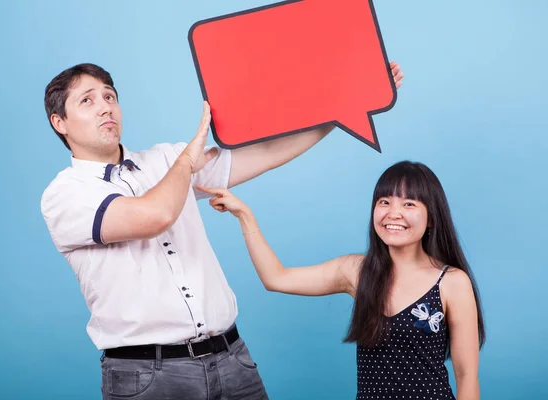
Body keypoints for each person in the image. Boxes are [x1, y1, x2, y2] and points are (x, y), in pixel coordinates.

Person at [40, 62, 405, 399]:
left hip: (232, 360)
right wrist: (187, 159)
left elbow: (262, 154)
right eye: (87, 101)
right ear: (60, 122)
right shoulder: (65, 195)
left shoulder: (166, 160)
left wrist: (342, 111)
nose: (105, 107)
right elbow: (155, 215)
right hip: (147, 376)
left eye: (110, 96)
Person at [197, 160, 485, 400]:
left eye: (409, 204)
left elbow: (466, 375)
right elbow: (277, 278)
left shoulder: (451, 282)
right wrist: (245, 217)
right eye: (384, 201)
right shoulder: (357, 271)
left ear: (431, 218)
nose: (393, 213)